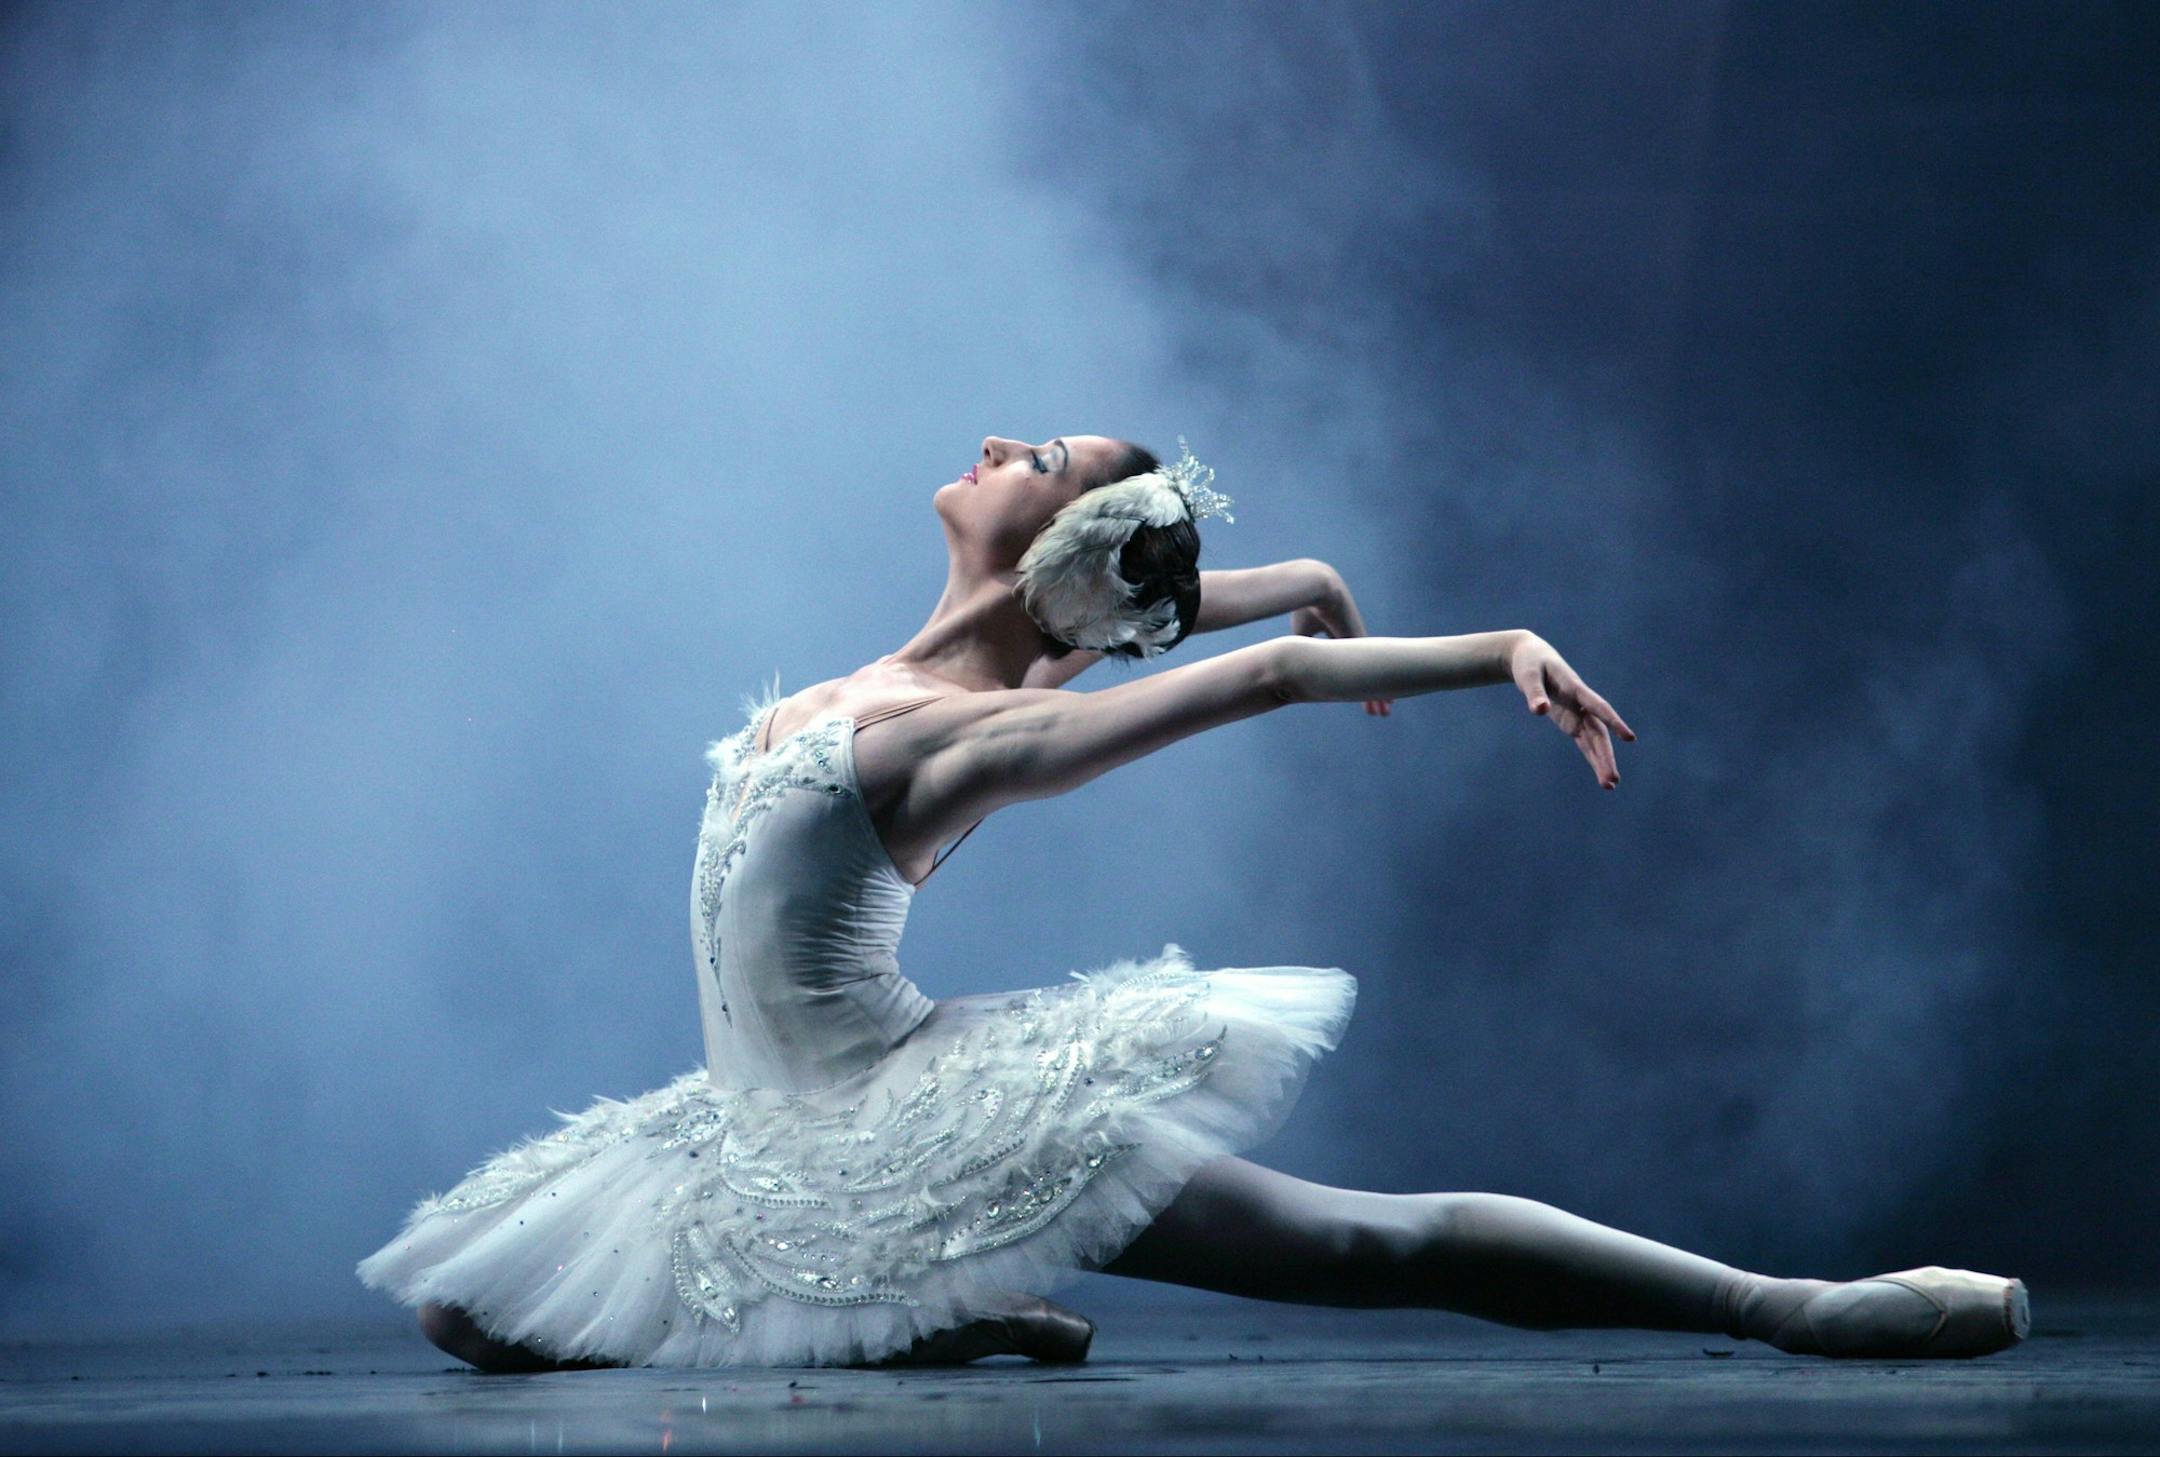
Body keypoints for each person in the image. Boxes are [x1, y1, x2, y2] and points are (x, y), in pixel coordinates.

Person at [358, 434, 2029, 1371]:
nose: (999, 445)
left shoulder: (974, 734)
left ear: (1056, 545)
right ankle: (934, 1312)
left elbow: (1267, 675)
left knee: (1364, 1241)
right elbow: (1201, 613)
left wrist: (1499, 648)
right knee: (465, 1305)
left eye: (1041, 456)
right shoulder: (953, 666)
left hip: (912, 1113)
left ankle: (1787, 1304)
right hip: (755, 1124)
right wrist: (1309, 578)